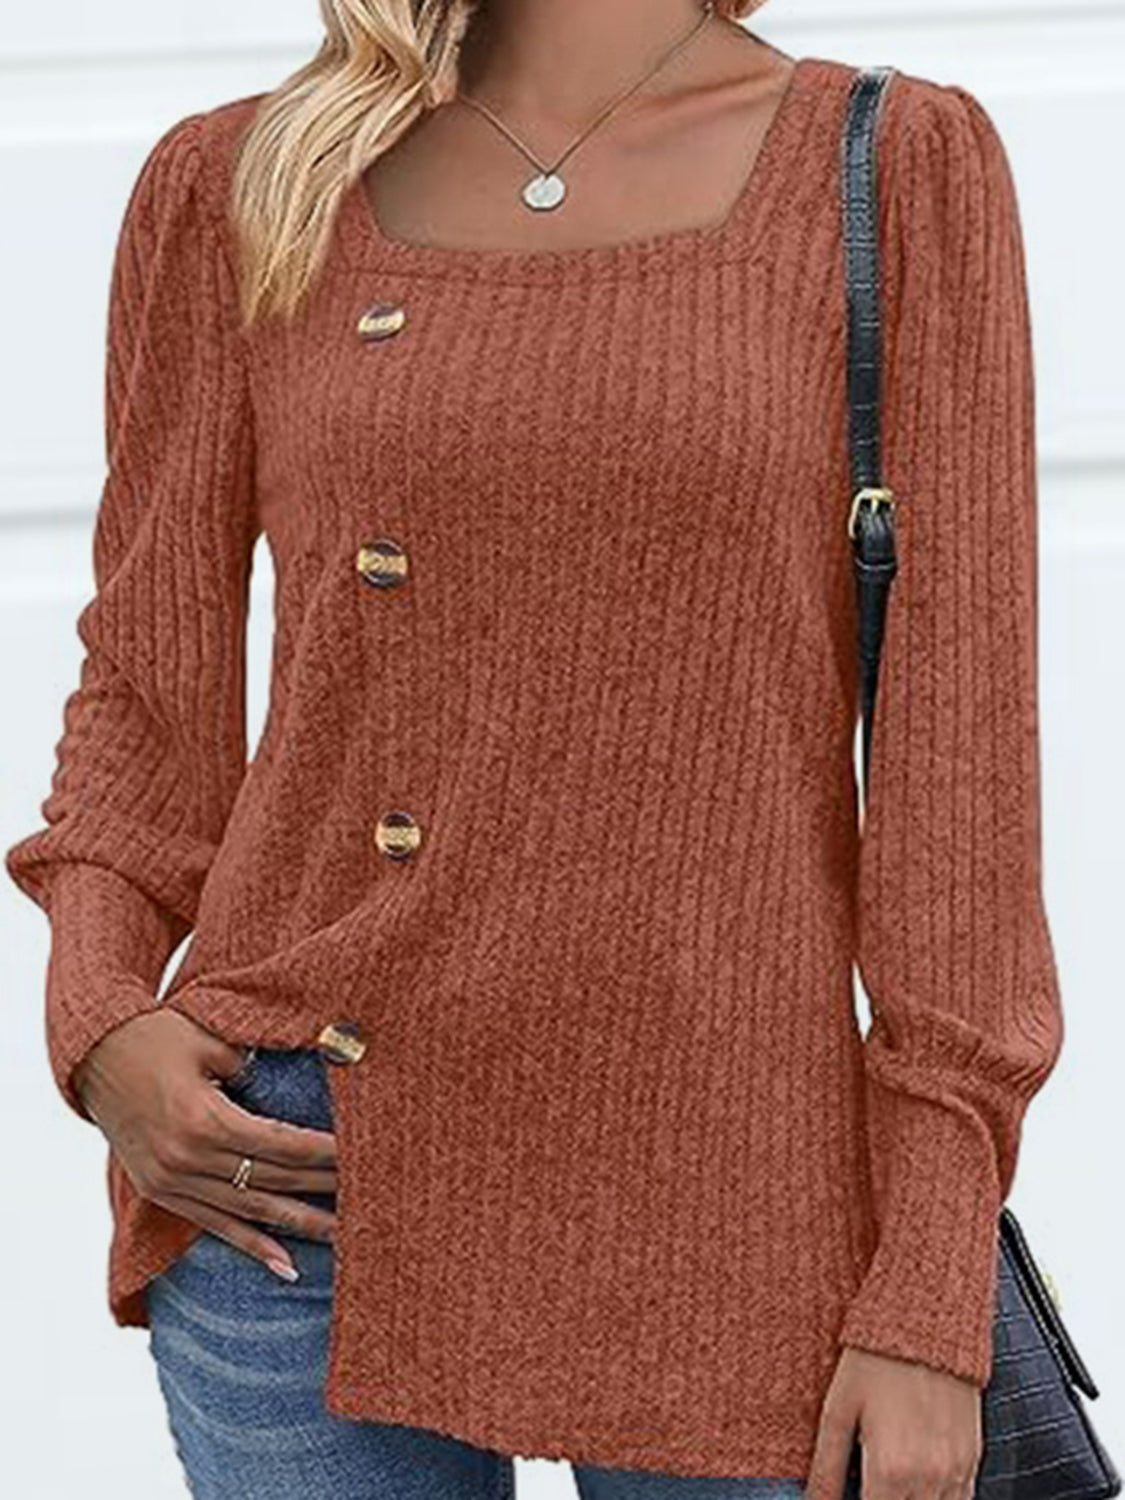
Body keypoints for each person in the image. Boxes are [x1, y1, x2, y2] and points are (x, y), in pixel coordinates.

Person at [5, 1, 1066, 1497]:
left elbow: (958, 780)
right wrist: (101, 1021)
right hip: (296, 1172)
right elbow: (146, 689)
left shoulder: (892, 163)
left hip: (731, 1191)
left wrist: (929, 1293)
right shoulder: (240, 180)